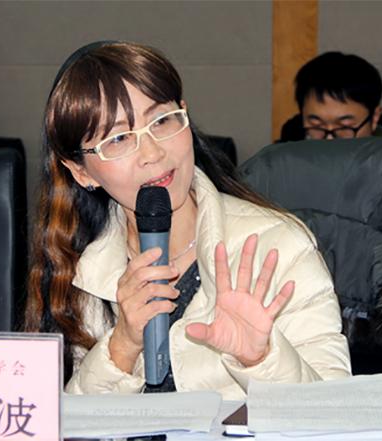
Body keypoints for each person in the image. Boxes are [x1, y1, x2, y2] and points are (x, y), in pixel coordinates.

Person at [23, 41, 351, 399]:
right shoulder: (81, 268)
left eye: (162, 121)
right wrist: (122, 347)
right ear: (81, 171)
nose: (152, 153)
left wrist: (261, 360)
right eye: (118, 139)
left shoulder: (277, 244)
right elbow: (61, 421)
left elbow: (333, 409)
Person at [278, 51, 382, 142]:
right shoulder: (283, 158)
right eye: (317, 126)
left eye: (345, 126)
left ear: (374, 118)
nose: (329, 139)